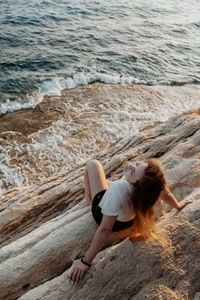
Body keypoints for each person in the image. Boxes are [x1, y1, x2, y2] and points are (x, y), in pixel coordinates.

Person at [68, 158, 193, 284]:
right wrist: (178, 206)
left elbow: (105, 229)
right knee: (108, 183)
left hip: (102, 215)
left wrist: (85, 262)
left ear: (134, 185)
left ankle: (88, 198)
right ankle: (106, 190)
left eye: (133, 172)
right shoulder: (149, 184)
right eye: (137, 164)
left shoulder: (118, 188)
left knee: (93, 164)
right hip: (127, 220)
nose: (130, 166)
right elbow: (165, 194)